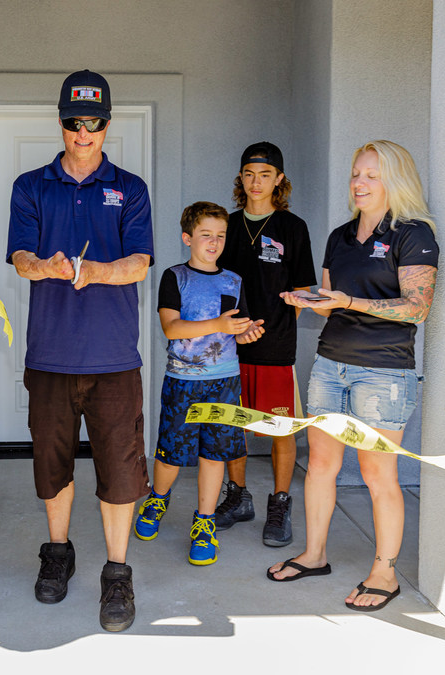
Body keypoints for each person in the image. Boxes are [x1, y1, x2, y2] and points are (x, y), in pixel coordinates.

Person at [7, 69, 153, 632]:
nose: (83, 132)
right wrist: (46, 266)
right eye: (73, 122)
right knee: (52, 462)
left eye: (93, 122)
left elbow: (139, 261)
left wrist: (92, 271)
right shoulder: (31, 186)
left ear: (107, 124)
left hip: (115, 358)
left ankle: (117, 574)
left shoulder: (131, 188)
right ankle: (58, 553)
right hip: (50, 357)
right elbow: (20, 257)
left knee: (120, 471)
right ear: (62, 123)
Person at [267, 140, 438, 613]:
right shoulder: (340, 236)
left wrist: (348, 302)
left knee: (377, 473)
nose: (359, 183)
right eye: (355, 174)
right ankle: (314, 554)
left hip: (383, 372)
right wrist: (311, 299)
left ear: (394, 181)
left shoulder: (413, 233)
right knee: (320, 465)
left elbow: (417, 309)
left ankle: (385, 573)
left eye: (371, 175)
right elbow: (331, 297)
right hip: (329, 364)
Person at [133, 202, 265, 565]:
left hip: (224, 381)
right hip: (183, 382)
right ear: (187, 238)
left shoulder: (234, 281)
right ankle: (158, 497)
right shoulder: (175, 277)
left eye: (221, 235)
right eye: (206, 234)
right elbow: (172, 328)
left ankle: (204, 522)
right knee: (172, 453)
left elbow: (236, 328)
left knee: (215, 453)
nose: (214, 242)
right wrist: (219, 326)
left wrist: (247, 333)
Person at [215, 142, 316, 546]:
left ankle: (280, 502)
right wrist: (235, 330)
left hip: (275, 348)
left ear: (280, 180)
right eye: (249, 174)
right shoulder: (226, 224)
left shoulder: (293, 228)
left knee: (280, 430)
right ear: (241, 178)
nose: (256, 182)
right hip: (228, 345)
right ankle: (238, 497)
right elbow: (214, 282)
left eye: (265, 175)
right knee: (232, 426)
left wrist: (270, 329)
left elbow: (303, 291)